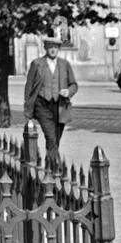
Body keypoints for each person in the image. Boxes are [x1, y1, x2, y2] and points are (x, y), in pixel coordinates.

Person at [23, 35, 78, 166]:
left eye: (55, 47)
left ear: (58, 49)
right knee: (50, 136)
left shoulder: (65, 65)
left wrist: (68, 92)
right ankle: (56, 167)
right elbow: (29, 86)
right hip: (42, 105)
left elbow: (74, 85)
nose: (53, 49)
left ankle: (49, 165)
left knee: (55, 140)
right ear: (45, 48)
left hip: (60, 106)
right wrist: (28, 107)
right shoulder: (37, 64)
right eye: (50, 47)